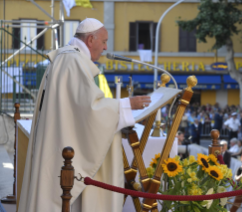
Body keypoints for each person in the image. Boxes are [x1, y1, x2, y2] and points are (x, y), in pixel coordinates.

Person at [18, 18, 151, 212]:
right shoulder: (73, 60)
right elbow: (89, 110)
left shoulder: (67, 56)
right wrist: (126, 104)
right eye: (104, 41)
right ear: (90, 40)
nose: (105, 48)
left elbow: (77, 109)